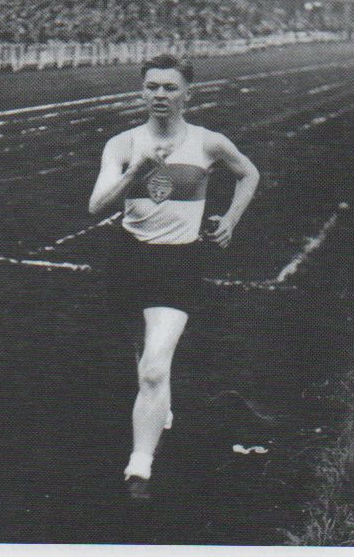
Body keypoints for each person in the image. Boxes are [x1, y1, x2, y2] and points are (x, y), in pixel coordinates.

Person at [89, 54, 260, 499]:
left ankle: (139, 467)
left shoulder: (208, 143)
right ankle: (159, 408)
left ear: (187, 93)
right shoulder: (122, 144)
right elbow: (96, 206)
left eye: (169, 87)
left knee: (152, 367)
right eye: (152, 86)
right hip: (128, 259)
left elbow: (248, 173)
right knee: (144, 354)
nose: (159, 95)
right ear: (142, 91)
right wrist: (136, 170)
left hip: (179, 264)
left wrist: (231, 219)